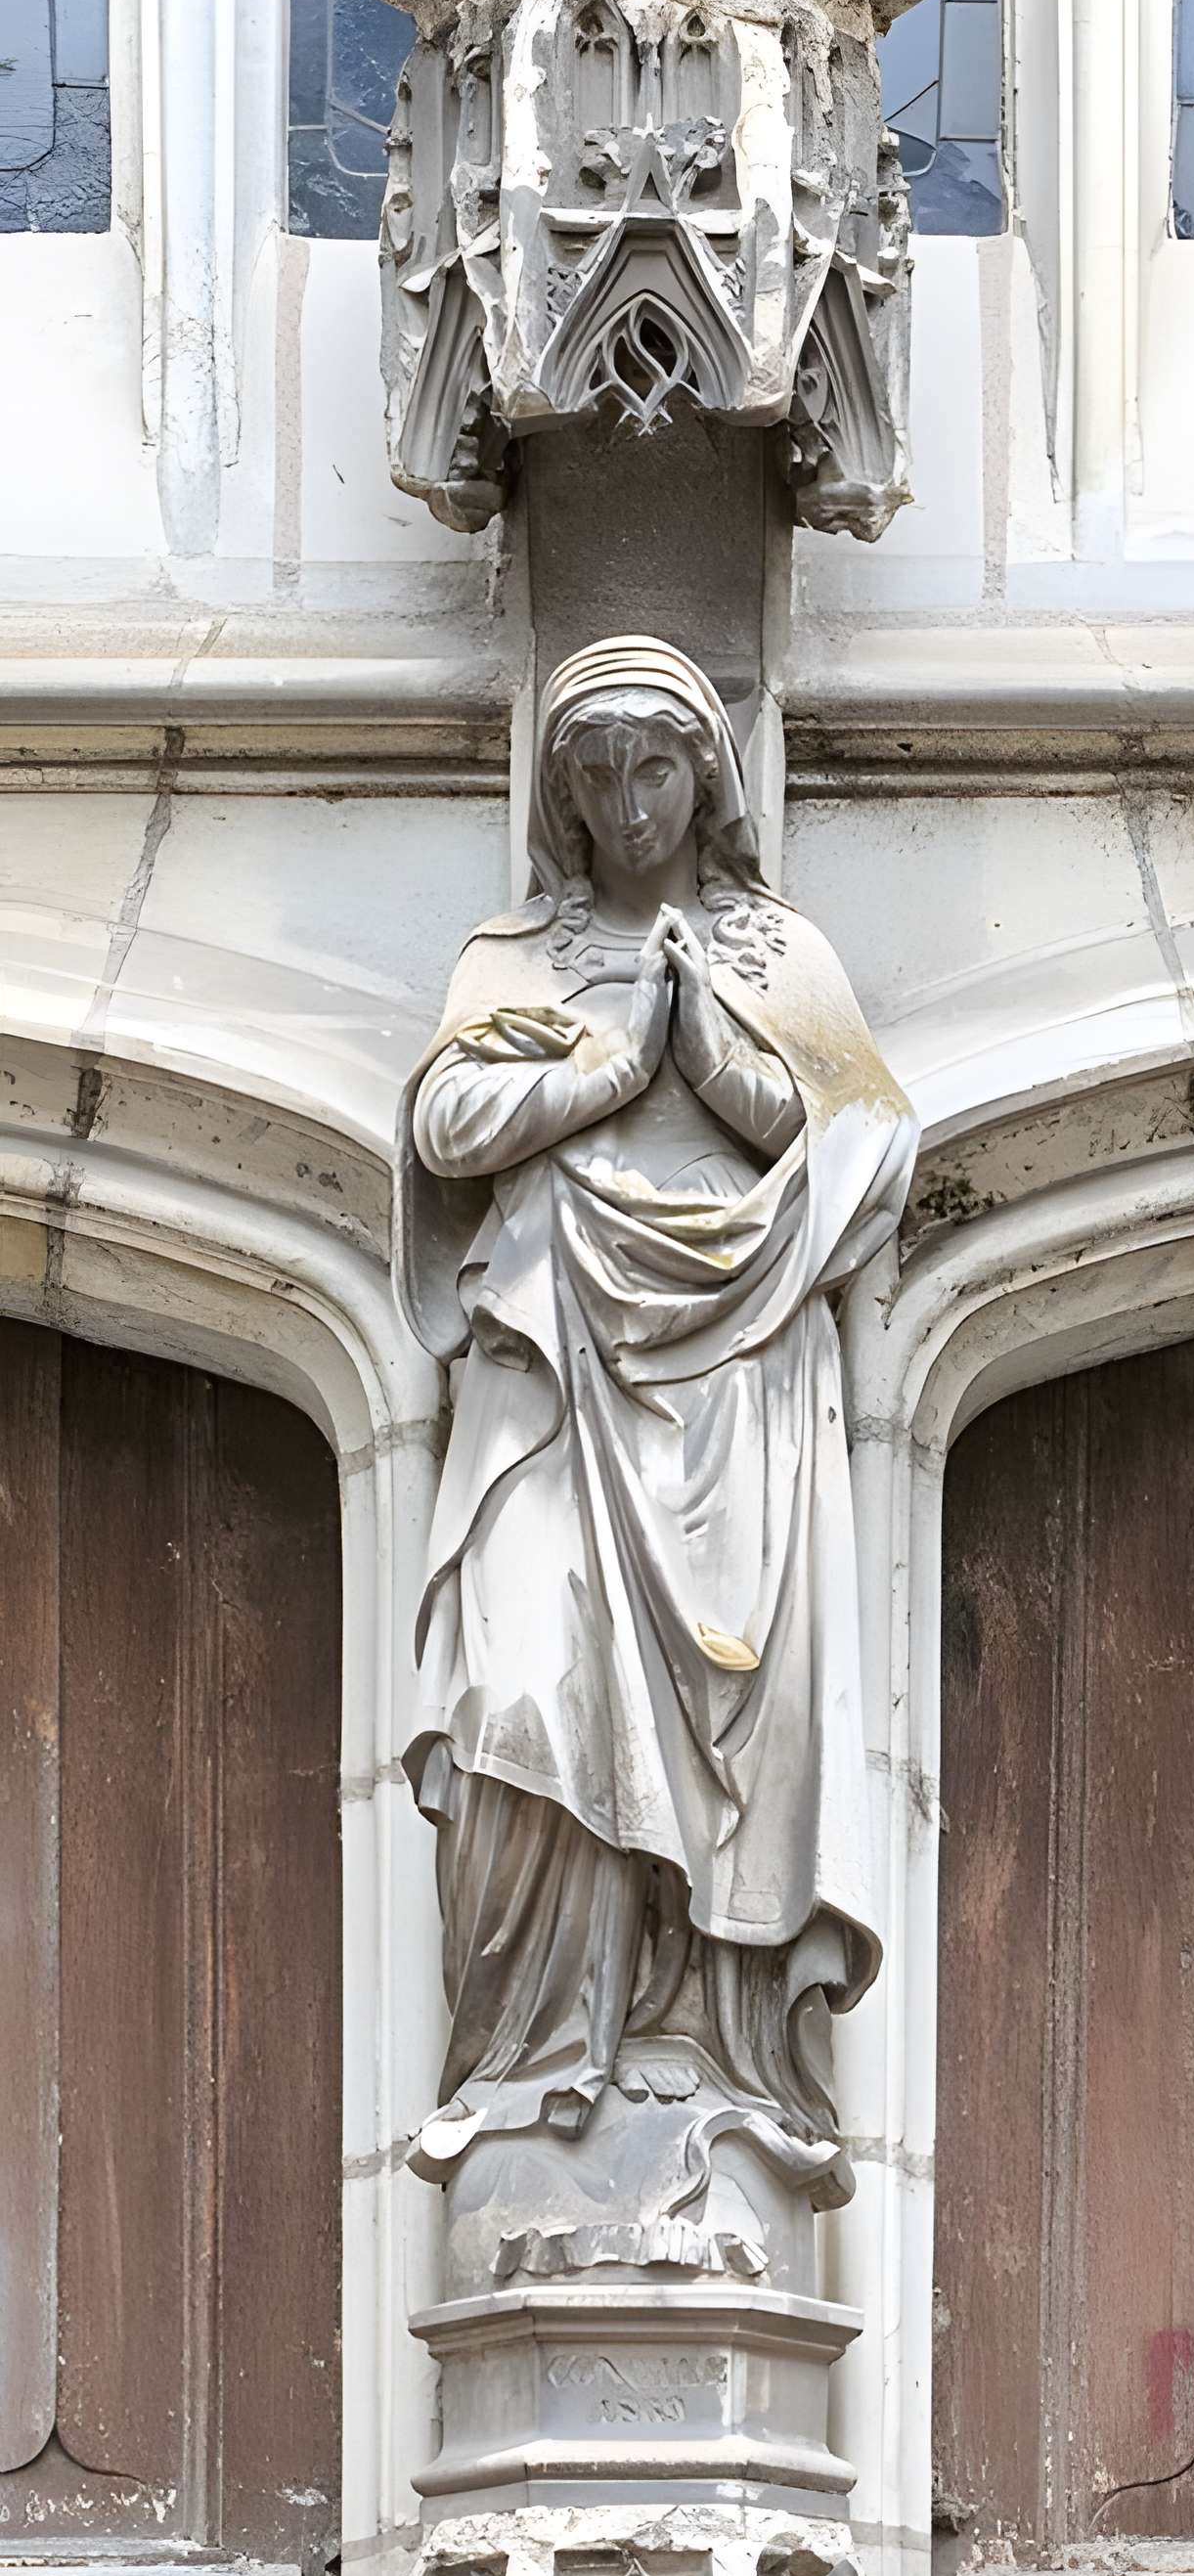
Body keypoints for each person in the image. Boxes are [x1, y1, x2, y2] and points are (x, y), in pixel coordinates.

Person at [394, 636, 917, 2193]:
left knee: (735, 1726)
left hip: (735, 1368)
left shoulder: (775, 959)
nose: (631, 809)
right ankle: (528, 2058)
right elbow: (441, 1121)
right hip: (553, 1372)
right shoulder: (521, 958)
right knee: (519, 1702)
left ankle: (712, 2051)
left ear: (708, 778)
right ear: (564, 794)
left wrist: (716, 1058)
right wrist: (609, 1065)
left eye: (658, 769)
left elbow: (867, 1146)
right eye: (599, 776)